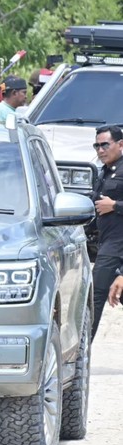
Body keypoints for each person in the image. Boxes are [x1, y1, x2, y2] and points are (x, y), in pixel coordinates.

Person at [89, 125, 123, 338]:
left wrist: (116, 206)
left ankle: (79, 357)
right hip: (106, 241)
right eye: (97, 145)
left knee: (95, 297)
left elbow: (111, 206)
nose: (100, 150)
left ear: (120, 144)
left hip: (116, 245)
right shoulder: (104, 170)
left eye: (105, 145)